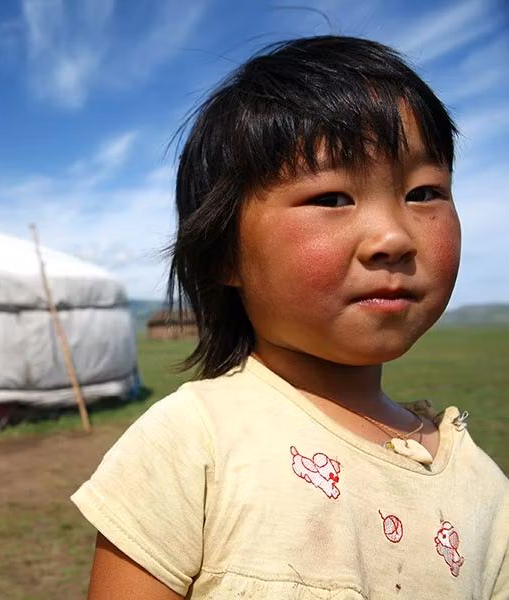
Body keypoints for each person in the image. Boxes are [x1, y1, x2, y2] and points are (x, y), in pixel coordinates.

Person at [71, 35, 508, 599]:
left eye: (423, 192)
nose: (393, 238)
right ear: (224, 253)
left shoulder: (483, 490)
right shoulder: (195, 442)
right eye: (332, 198)